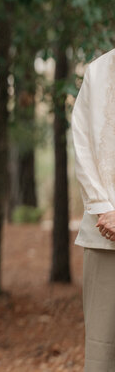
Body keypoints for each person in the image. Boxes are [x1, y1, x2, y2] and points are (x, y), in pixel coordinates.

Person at [72, 48, 115, 372]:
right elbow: (82, 143)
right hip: (107, 231)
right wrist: (104, 208)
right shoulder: (98, 71)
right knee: (103, 350)